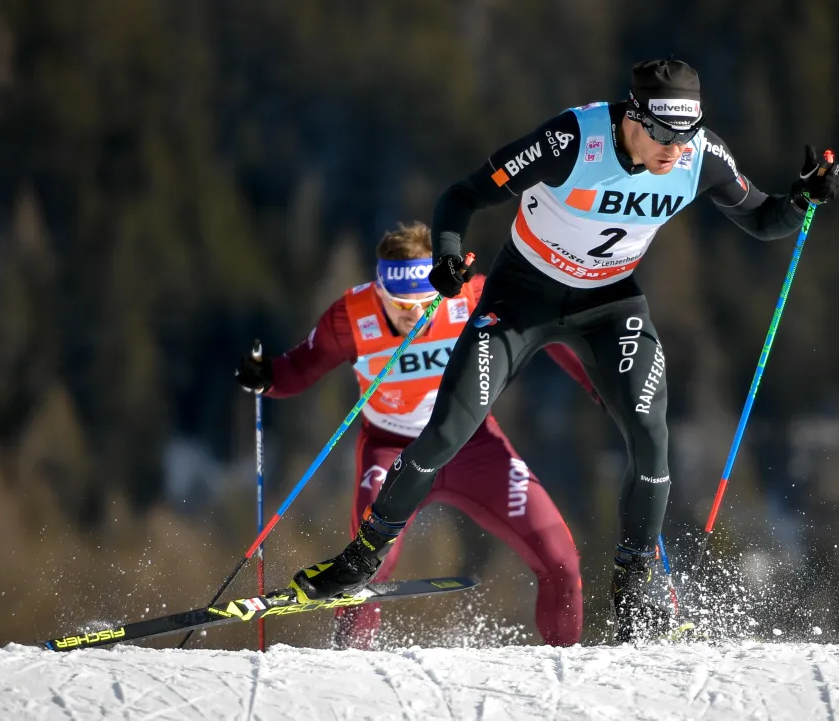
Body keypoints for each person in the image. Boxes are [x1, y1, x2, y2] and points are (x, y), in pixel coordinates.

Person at [288, 58, 839, 642]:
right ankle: (360, 561)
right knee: (447, 429)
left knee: (651, 436)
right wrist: (448, 256)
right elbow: (462, 195)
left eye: (687, 136)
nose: (676, 152)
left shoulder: (700, 156)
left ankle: (635, 589)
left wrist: (804, 198)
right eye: (665, 136)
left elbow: (763, 219)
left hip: (609, 306)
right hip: (522, 296)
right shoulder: (571, 141)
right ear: (633, 116)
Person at [236, 221, 593, 648]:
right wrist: (266, 376)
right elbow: (299, 369)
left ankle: (567, 671)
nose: (410, 314)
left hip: (472, 446)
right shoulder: (352, 315)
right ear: (379, 289)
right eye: (397, 302)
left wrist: (596, 381)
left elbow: (546, 331)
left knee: (562, 562)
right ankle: (349, 669)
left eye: (422, 302)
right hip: (390, 451)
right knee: (365, 569)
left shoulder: (472, 295)